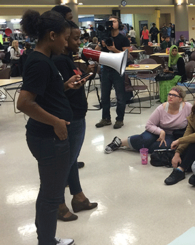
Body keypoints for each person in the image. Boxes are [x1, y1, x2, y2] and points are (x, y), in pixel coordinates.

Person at [17, 9, 83, 245]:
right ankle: (46, 242)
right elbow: (23, 103)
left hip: (48, 137)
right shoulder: (39, 63)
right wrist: (56, 122)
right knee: (51, 195)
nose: (67, 43)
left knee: (49, 191)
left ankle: (47, 239)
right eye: (65, 38)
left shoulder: (43, 61)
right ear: (52, 35)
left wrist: (64, 86)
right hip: (48, 138)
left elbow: (43, 95)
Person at [53, 20, 97, 222]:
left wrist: (85, 74)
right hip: (72, 116)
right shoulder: (61, 60)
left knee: (70, 161)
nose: (79, 42)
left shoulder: (67, 59)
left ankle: (78, 197)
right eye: (76, 38)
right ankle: (58, 203)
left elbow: (71, 83)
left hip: (76, 114)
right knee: (66, 162)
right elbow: (61, 90)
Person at [105, 86, 192, 154]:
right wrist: (161, 132)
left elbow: (193, 123)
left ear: (180, 99)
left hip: (173, 135)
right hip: (156, 131)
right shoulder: (161, 108)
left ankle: (143, 147)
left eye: (174, 95)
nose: (170, 97)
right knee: (145, 140)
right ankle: (119, 142)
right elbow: (149, 124)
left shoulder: (188, 107)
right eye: (169, 94)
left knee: (163, 146)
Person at [95, 15, 130, 129]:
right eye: (109, 22)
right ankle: (106, 118)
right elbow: (96, 52)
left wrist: (113, 49)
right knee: (104, 96)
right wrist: (101, 45)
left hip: (118, 70)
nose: (111, 24)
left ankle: (119, 119)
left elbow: (126, 56)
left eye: (113, 22)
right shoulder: (105, 37)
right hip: (106, 69)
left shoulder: (123, 39)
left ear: (118, 24)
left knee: (120, 96)